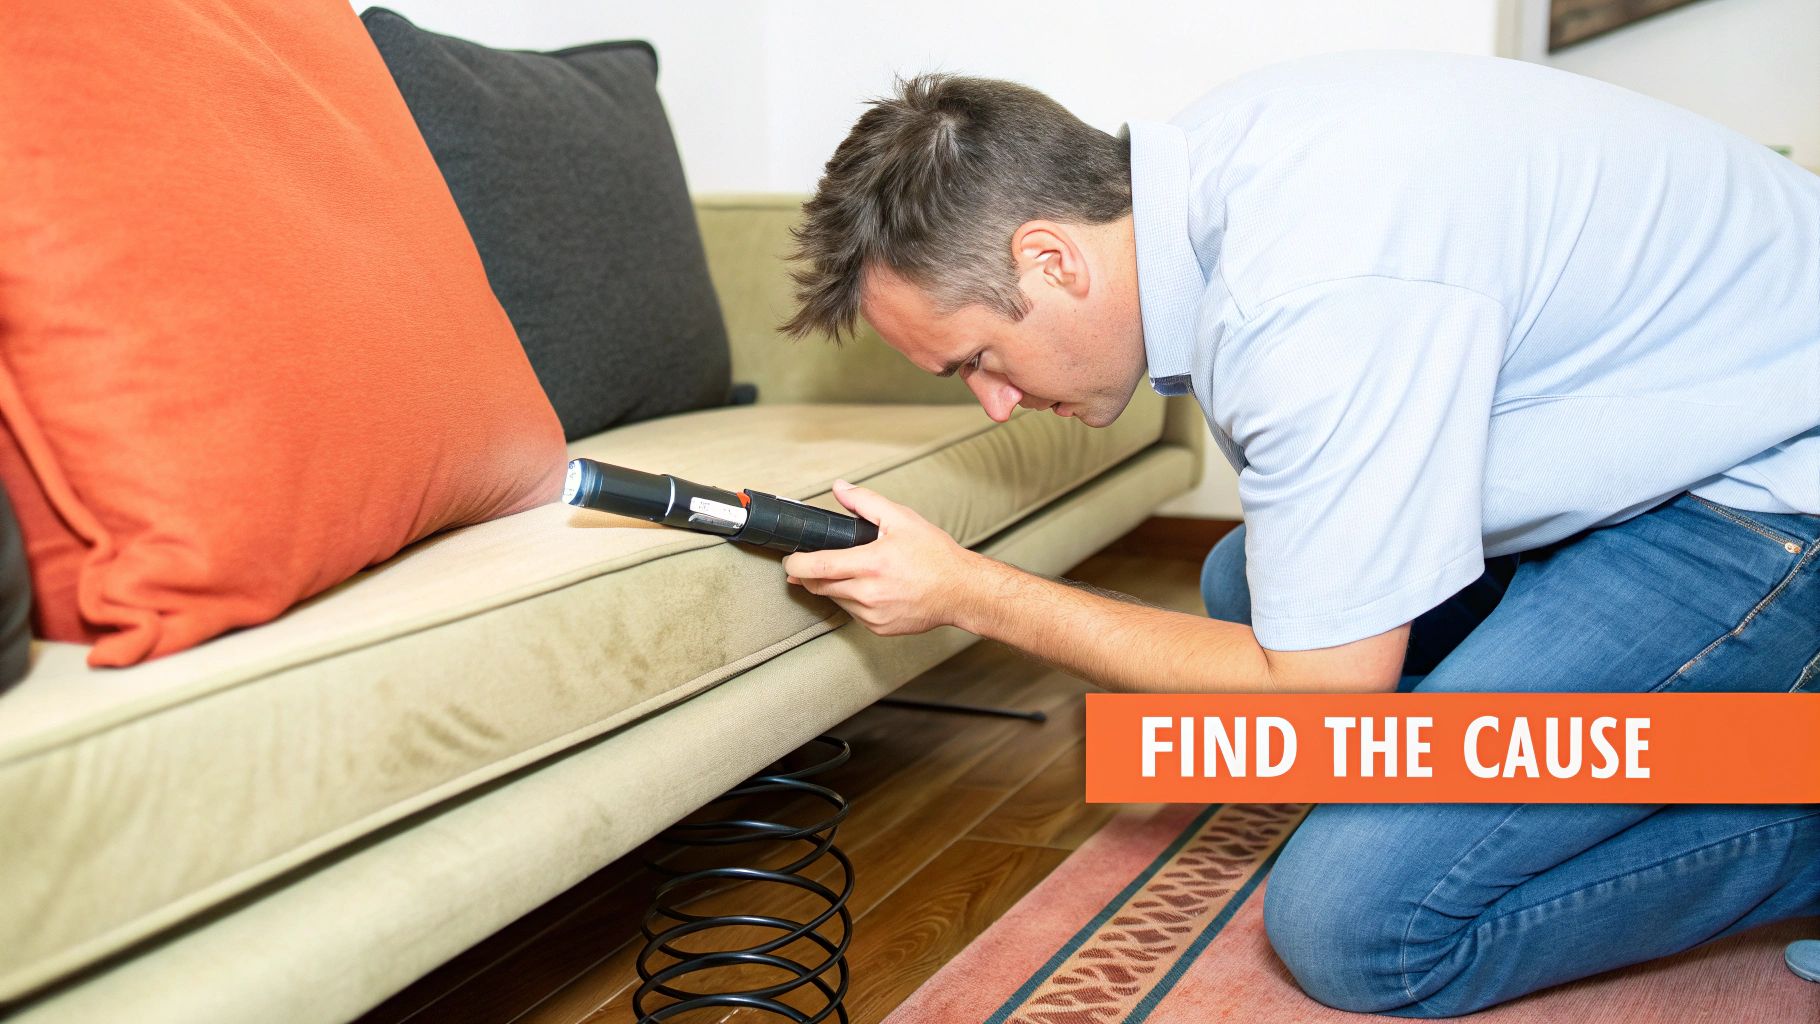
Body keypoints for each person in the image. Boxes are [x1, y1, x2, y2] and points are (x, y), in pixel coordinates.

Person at [776, 52, 1820, 1016]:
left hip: (1773, 495)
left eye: (975, 360)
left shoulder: (1305, 298)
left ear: (1049, 260)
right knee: (1248, 585)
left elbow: (1321, 696)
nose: (993, 403)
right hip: (1675, 446)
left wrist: (971, 592)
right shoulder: (1218, 172)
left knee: (1356, 924)